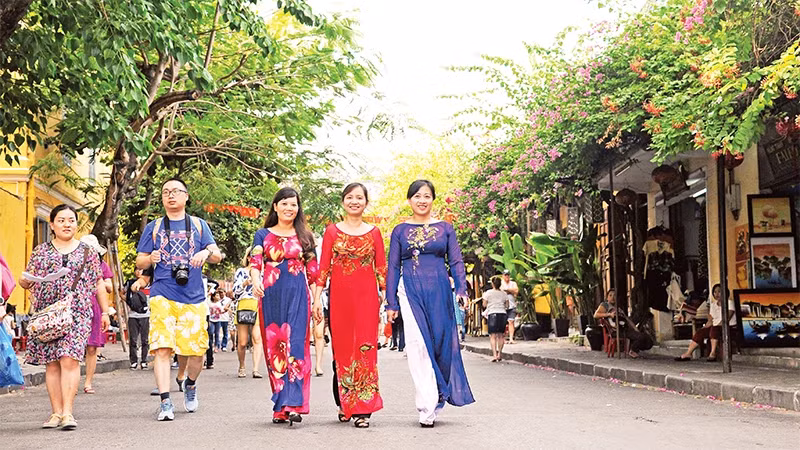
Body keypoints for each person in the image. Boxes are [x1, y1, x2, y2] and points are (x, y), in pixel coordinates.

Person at [386, 180, 475, 428]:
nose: (422, 200)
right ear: (409, 200)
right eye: (417, 196)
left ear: (433, 200)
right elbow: (393, 267)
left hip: (439, 290)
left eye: (426, 196)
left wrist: (461, 289)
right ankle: (426, 406)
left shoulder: (445, 228)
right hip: (410, 291)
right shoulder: (400, 231)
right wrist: (391, 302)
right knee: (417, 344)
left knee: (441, 344)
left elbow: (456, 261)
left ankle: (438, 392)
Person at [136, 177, 222, 421]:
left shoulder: (198, 225)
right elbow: (140, 262)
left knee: (197, 351)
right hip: (162, 293)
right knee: (162, 348)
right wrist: (150, 258)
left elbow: (217, 255)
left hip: (193, 297)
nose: (170, 196)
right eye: (165, 192)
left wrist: (205, 252)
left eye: (176, 191)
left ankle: (190, 384)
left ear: (186, 196)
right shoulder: (153, 227)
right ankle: (165, 402)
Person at [19, 204, 110, 430]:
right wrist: (26, 281)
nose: (67, 224)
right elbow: (26, 278)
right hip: (47, 313)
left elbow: (98, 282)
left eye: (71, 220)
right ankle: (55, 413)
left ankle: (68, 412)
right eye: (61, 220)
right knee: (52, 364)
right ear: (52, 224)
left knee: (69, 358)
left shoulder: (87, 252)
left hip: (77, 312)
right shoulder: (41, 251)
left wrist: (106, 311)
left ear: (76, 224)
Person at [313, 182, 386, 428]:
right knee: (343, 350)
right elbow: (323, 268)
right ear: (343, 202)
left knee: (365, 349)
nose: (354, 201)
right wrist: (316, 298)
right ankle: (345, 403)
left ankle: (363, 409)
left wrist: (386, 297)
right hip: (339, 297)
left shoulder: (374, 232)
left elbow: (381, 268)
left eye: (359, 198)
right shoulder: (332, 231)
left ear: (366, 202)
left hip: (367, 298)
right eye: (350, 197)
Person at [250, 187, 319, 426]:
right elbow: (256, 261)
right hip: (271, 294)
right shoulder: (262, 234)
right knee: (274, 348)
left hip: (298, 294)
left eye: (294, 204)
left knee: (296, 347)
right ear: (275, 206)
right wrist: (256, 282)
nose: (290, 208)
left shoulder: (306, 237)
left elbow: (313, 273)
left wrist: (317, 300)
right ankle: (280, 405)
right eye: (285, 203)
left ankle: (295, 403)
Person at [78, 234, 114, 395]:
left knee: (92, 347)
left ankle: (88, 382)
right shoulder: (74, 262)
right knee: (74, 346)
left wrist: (103, 283)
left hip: (96, 308)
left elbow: (110, 287)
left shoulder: (102, 265)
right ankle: (71, 381)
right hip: (77, 306)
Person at [675, 284, 735, 362]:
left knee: (714, 329)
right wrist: (707, 326)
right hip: (715, 325)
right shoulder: (713, 305)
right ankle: (688, 353)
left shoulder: (729, 303)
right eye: (715, 292)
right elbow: (710, 318)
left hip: (728, 326)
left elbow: (727, 317)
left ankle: (712, 353)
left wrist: (716, 325)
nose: (717, 294)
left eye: (719, 292)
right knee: (700, 332)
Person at [232, 249, 263, 378]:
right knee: (243, 342)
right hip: (244, 304)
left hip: (258, 304)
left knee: (257, 338)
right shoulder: (241, 272)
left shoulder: (263, 273)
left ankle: (256, 369)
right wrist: (245, 283)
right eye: (253, 256)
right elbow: (235, 293)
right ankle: (242, 365)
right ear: (249, 257)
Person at [593, 289, 649, 358]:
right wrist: (609, 314)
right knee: (642, 337)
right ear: (607, 297)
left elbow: (628, 320)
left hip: (625, 328)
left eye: (615, 295)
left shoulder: (618, 308)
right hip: (616, 330)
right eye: (610, 295)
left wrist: (635, 329)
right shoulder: (605, 305)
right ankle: (633, 351)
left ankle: (633, 348)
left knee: (648, 340)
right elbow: (596, 315)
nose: (613, 297)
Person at [124, 268, 151, 370]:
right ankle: (134, 361)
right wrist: (130, 303)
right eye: (137, 270)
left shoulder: (150, 284)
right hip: (133, 315)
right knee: (133, 340)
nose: (139, 272)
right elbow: (122, 293)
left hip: (146, 315)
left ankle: (144, 361)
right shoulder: (130, 283)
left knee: (145, 340)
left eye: (142, 270)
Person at [482, 277, 508, 362]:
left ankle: (494, 355)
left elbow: (484, 304)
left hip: (492, 313)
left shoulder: (488, 293)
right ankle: (500, 354)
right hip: (502, 314)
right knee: (501, 335)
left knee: (493, 336)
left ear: (492, 284)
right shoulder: (504, 293)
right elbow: (507, 305)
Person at [500, 270, 518, 344]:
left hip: (512, 305)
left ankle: (511, 338)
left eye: (508, 275)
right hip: (502, 306)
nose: (507, 276)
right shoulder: (501, 283)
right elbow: (500, 291)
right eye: (505, 275)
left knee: (511, 321)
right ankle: (503, 339)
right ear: (503, 276)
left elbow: (516, 291)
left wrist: (507, 290)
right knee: (503, 323)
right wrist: (511, 291)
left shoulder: (513, 283)